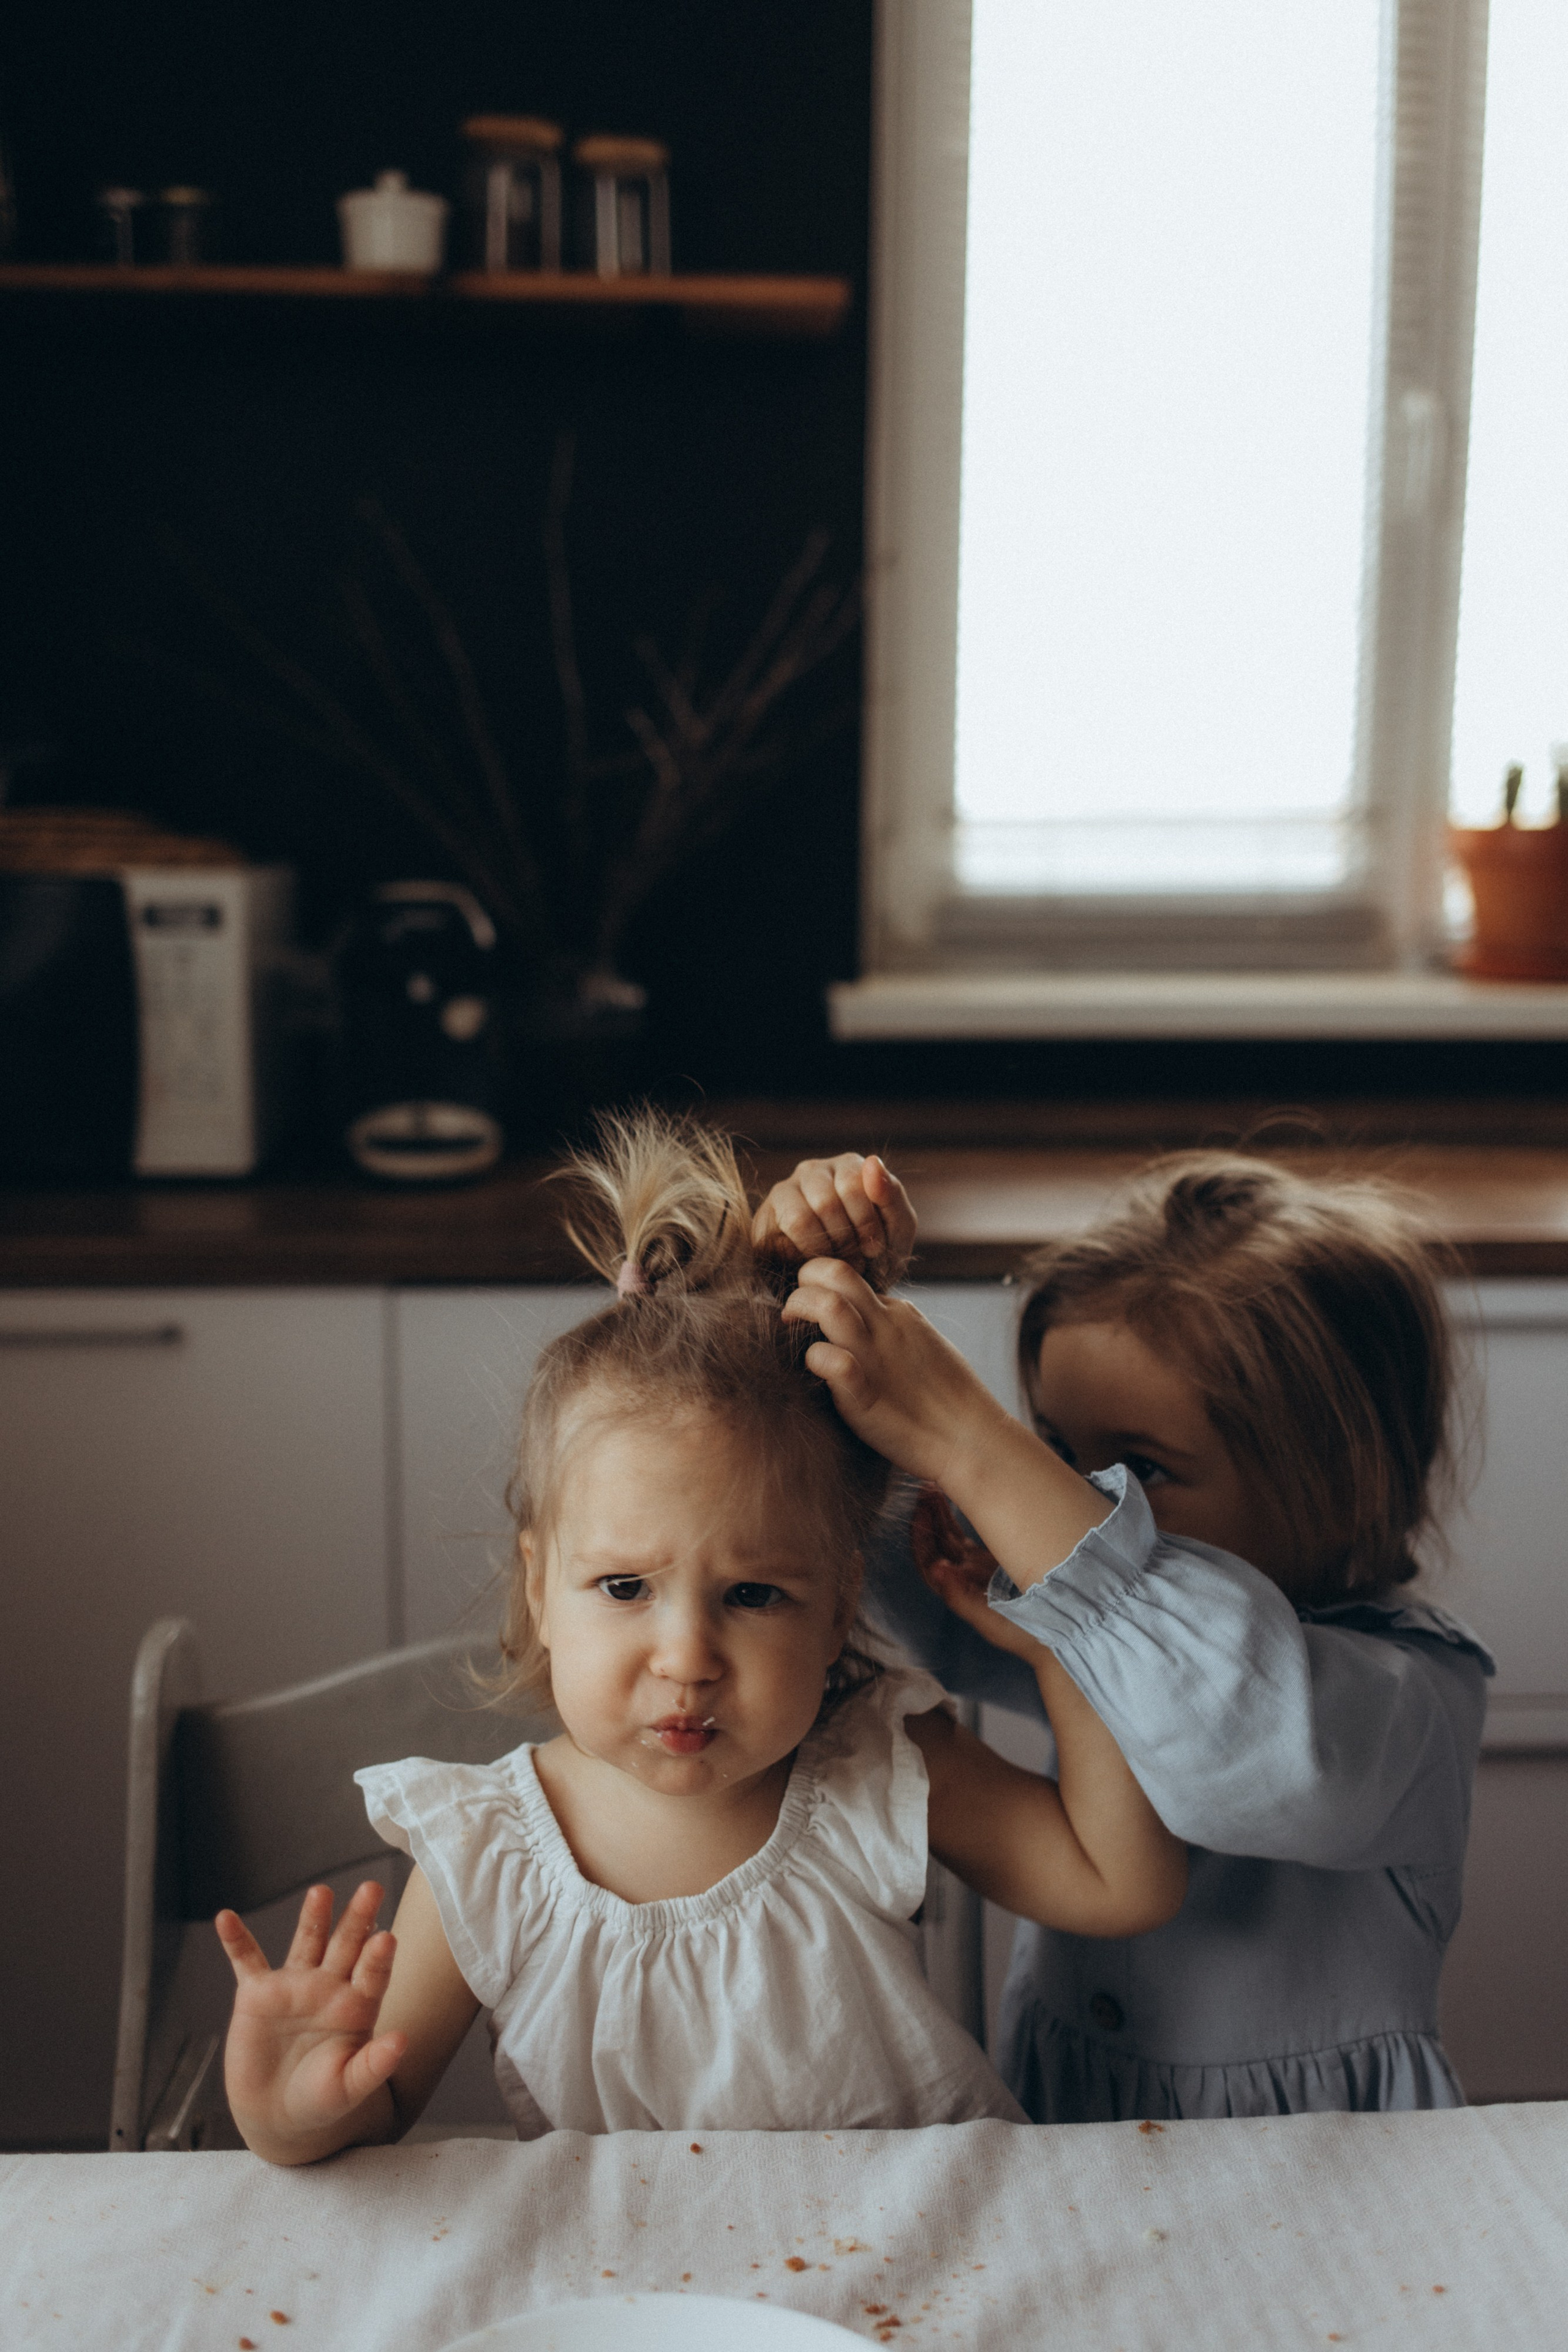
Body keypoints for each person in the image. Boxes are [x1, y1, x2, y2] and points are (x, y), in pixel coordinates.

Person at [215, 1113, 1186, 2164]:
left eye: (757, 1596)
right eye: (625, 1587)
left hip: (912, 2266)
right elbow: (375, 2108)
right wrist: (291, 2108)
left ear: (835, 1610)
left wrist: (1058, 1650)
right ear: (542, 1588)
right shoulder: (490, 1853)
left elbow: (1121, 1885)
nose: (686, 1658)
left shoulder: (877, 1769)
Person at [756, 1147, 1494, 2124]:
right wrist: (794, 1313)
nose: (1072, 1501)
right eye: (1056, 1452)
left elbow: (1227, 1713)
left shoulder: (1411, 1699)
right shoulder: (1090, 1622)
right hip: (1077, 2121)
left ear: (1341, 1482)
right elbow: (868, 1559)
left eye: (1139, 1470)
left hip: (1325, 2178)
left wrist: (970, 1437)